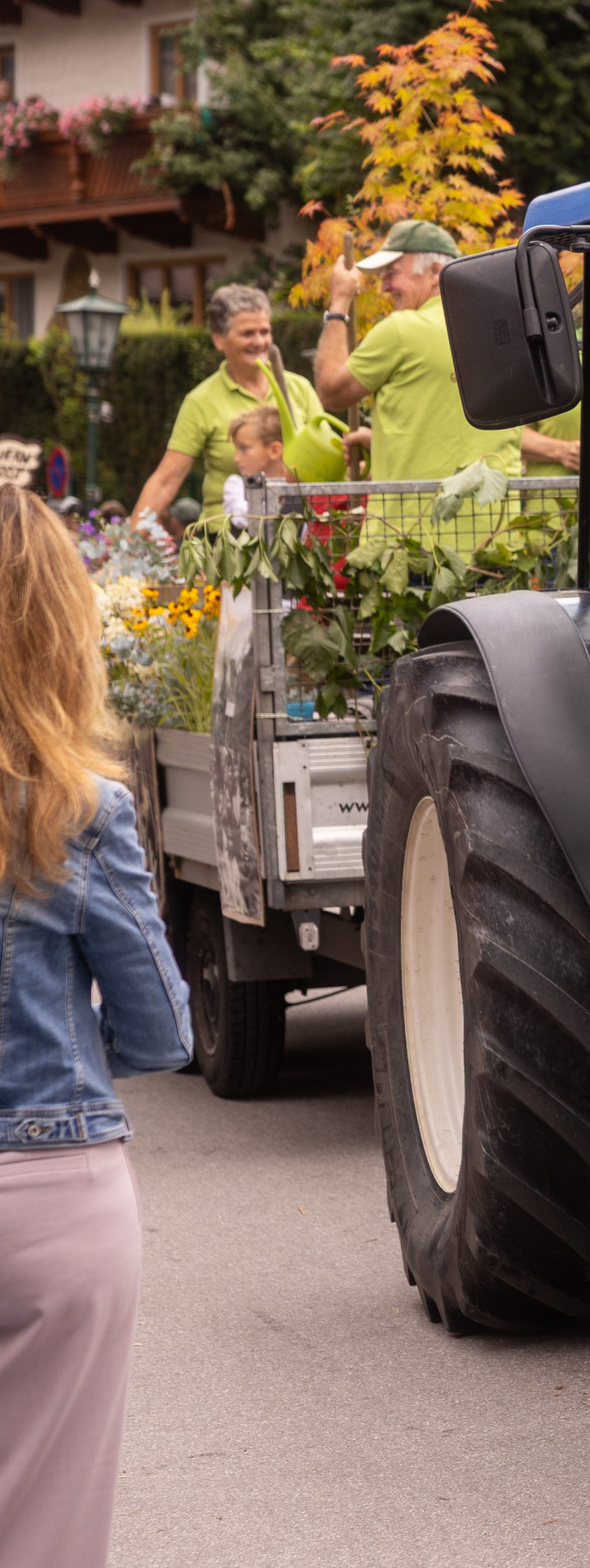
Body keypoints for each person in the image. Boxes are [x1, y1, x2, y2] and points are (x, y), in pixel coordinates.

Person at [0, 486, 195, 1568]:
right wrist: (80, 1051)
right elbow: (164, 1028)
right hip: (47, 1193)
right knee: (42, 1523)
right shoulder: (77, 810)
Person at [317, 220, 578, 484]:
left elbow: (331, 392)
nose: (384, 286)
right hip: (497, 518)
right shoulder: (505, 330)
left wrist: (339, 302)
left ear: (434, 272)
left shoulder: (401, 331)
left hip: (413, 520)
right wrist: (380, 442)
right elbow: (476, 429)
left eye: (392, 273)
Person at [133, 283, 326, 527]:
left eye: (265, 331)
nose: (259, 341)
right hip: (225, 541)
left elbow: (325, 463)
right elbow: (165, 480)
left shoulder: (299, 389)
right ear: (218, 339)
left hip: (295, 533)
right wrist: (128, 547)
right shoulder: (201, 401)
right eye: (247, 333)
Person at [219, 407, 294, 528]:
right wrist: (280, 496)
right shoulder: (236, 485)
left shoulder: (300, 488)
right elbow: (246, 518)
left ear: (274, 450)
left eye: (243, 448)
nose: (236, 458)